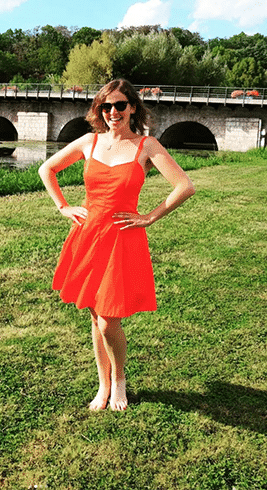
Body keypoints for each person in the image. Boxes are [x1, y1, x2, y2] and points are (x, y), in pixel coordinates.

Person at [38, 79, 195, 411]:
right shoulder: (89, 142)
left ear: (132, 107)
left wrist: (151, 216)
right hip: (89, 235)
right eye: (105, 106)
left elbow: (184, 186)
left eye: (120, 105)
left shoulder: (147, 146)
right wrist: (63, 206)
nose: (113, 112)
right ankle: (103, 385)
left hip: (122, 238)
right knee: (96, 316)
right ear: (99, 110)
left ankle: (119, 382)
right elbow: (46, 169)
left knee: (110, 318)